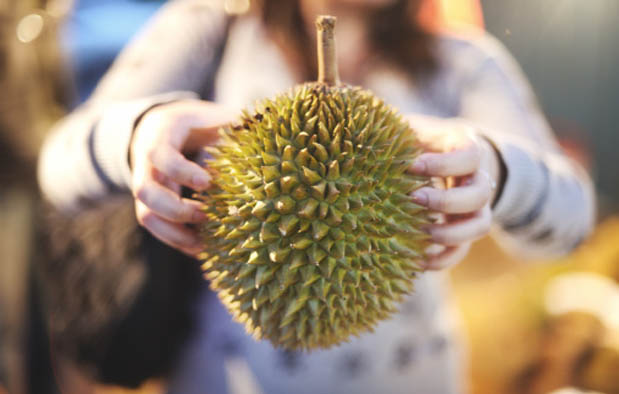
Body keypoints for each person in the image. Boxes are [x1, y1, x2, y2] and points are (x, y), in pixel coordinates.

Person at [37, 0, 596, 393]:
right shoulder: (207, 27)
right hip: (221, 380)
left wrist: (498, 173)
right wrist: (137, 137)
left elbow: (574, 219)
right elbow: (57, 167)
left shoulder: (463, 63)